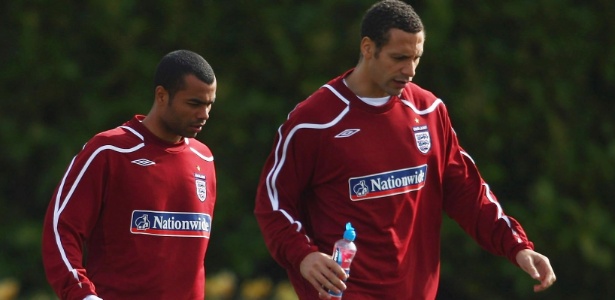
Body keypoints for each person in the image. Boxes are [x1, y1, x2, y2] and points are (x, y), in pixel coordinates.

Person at [253, 1, 556, 299]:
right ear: (368, 48)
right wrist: (304, 256)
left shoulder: (428, 110)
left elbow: (466, 190)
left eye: (416, 58)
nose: (409, 70)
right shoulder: (314, 122)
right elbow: (274, 204)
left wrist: (517, 247)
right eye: (399, 58)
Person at [42, 49, 218, 300]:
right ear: (161, 95)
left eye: (209, 104)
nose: (204, 114)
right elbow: (60, 228)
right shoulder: (110, 151)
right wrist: (81, 294)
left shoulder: (204, 159)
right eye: (194, 104)